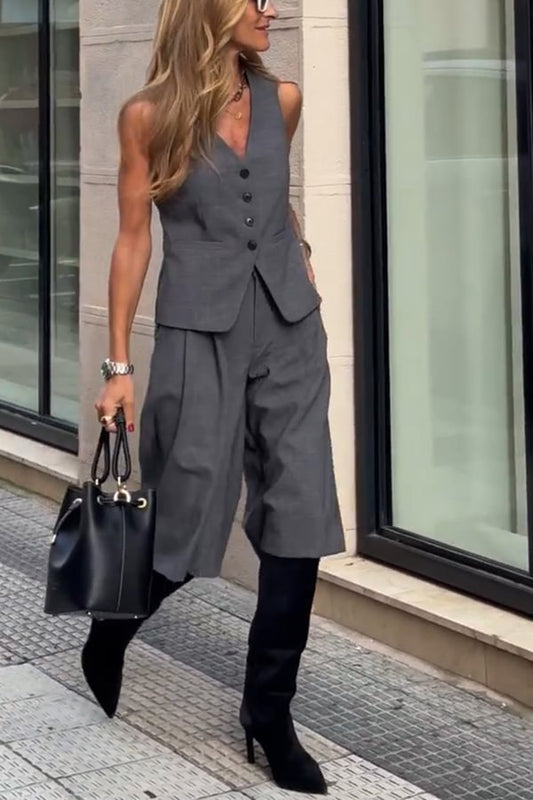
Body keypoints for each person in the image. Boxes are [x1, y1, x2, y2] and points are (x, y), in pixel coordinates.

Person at [85, 0, 345, 793]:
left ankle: (268, 712)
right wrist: (118, 367)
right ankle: (114, 624)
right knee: (185, 520)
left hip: (288, 330)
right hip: (199, 334)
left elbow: (264, 198)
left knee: (300, 514)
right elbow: (133, 237)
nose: (270, 10)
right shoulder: (147, 118)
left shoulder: (283, 99)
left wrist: (299, 251)